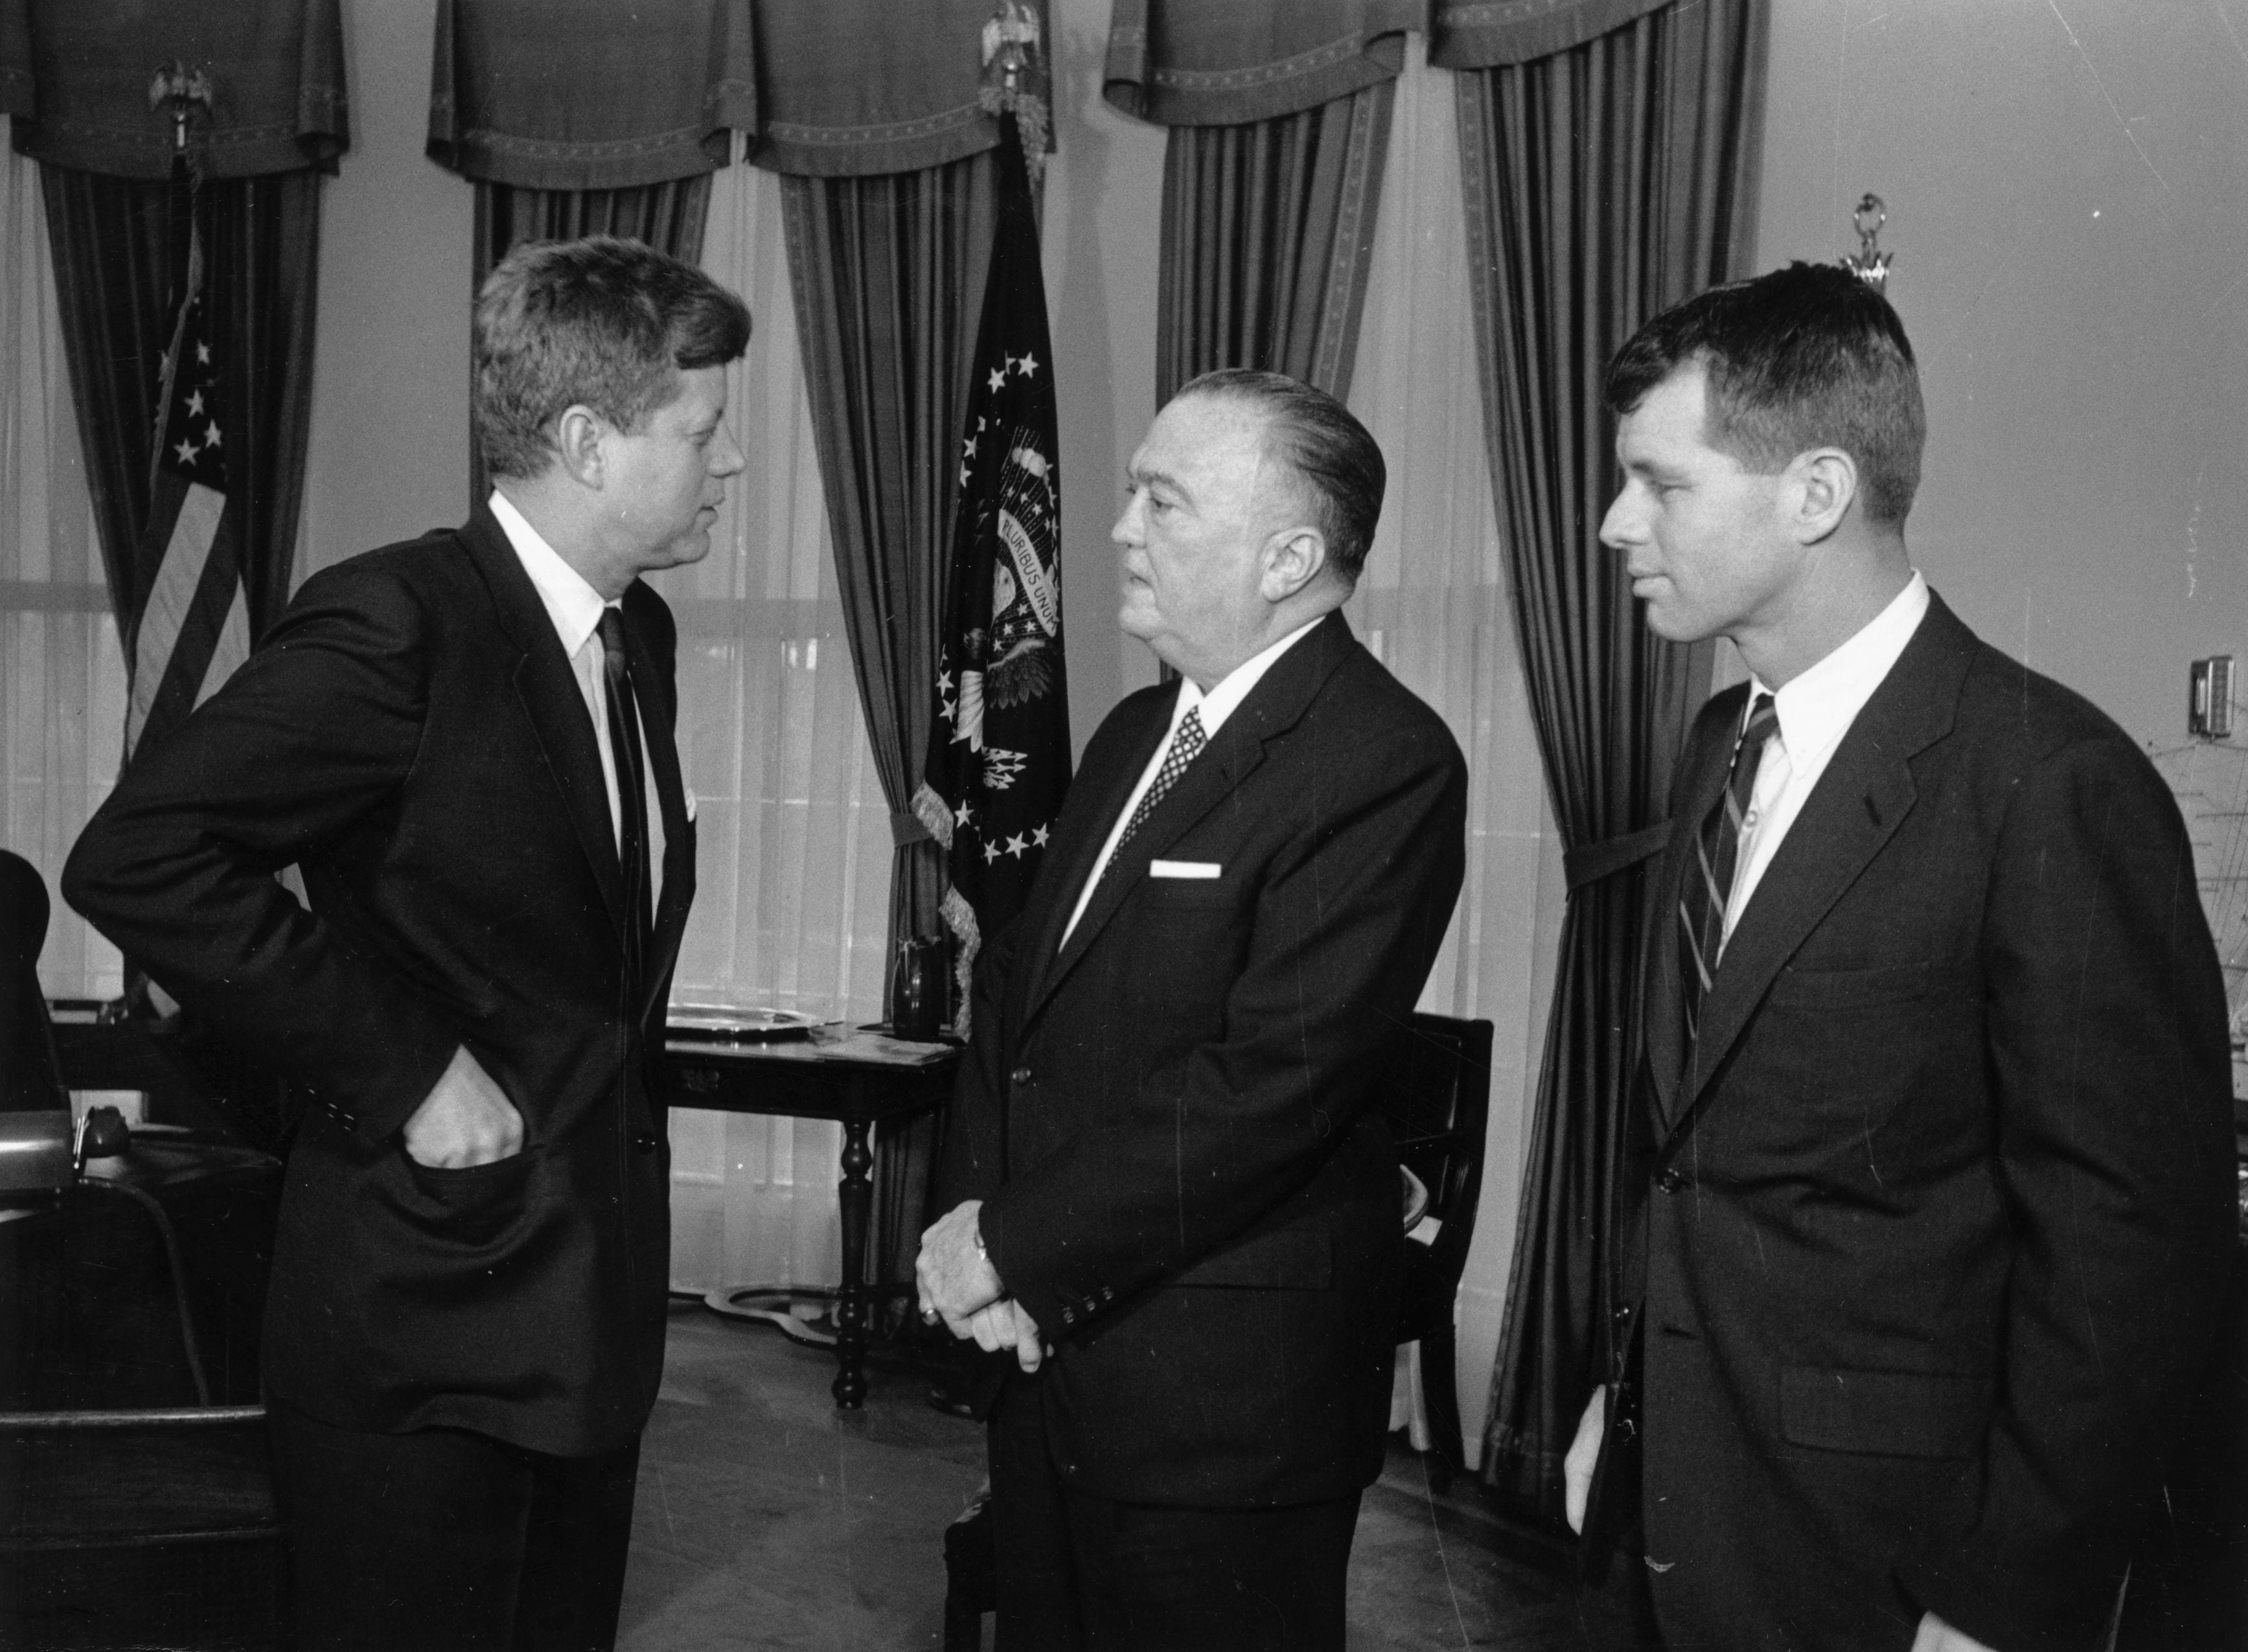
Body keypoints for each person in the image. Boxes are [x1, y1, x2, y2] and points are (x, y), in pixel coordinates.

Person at [63, 235, 748, 1652]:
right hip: (422, 1331)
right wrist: (410, 1071)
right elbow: (139, 856)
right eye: (702, 430)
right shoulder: (404, 619)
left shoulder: (639, 641)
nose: (723, 465)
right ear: (586, 440)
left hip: (581, 1336)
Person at [1566, 261, 2238, 1652]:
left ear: (1814, 494)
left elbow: (2126, 1260)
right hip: (1674, 1517)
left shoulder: (2048, 781)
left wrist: (1999, 1598)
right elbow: (1702, 1152)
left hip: (1883, 1574)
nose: (1612, 521)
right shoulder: (1715, 749)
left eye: (1661, 482)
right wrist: (1621, 1410)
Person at [915, 369, 1467, 1651]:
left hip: (1221, 1410)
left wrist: (1014, 1246)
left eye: (1163, 502)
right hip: (1051, 1362)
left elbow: (1266, 1088)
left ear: (1288, 557)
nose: (1116, 530)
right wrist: (982, 1247)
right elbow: (1013, 1007)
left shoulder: (1381, 761)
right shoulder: (1128, 738)